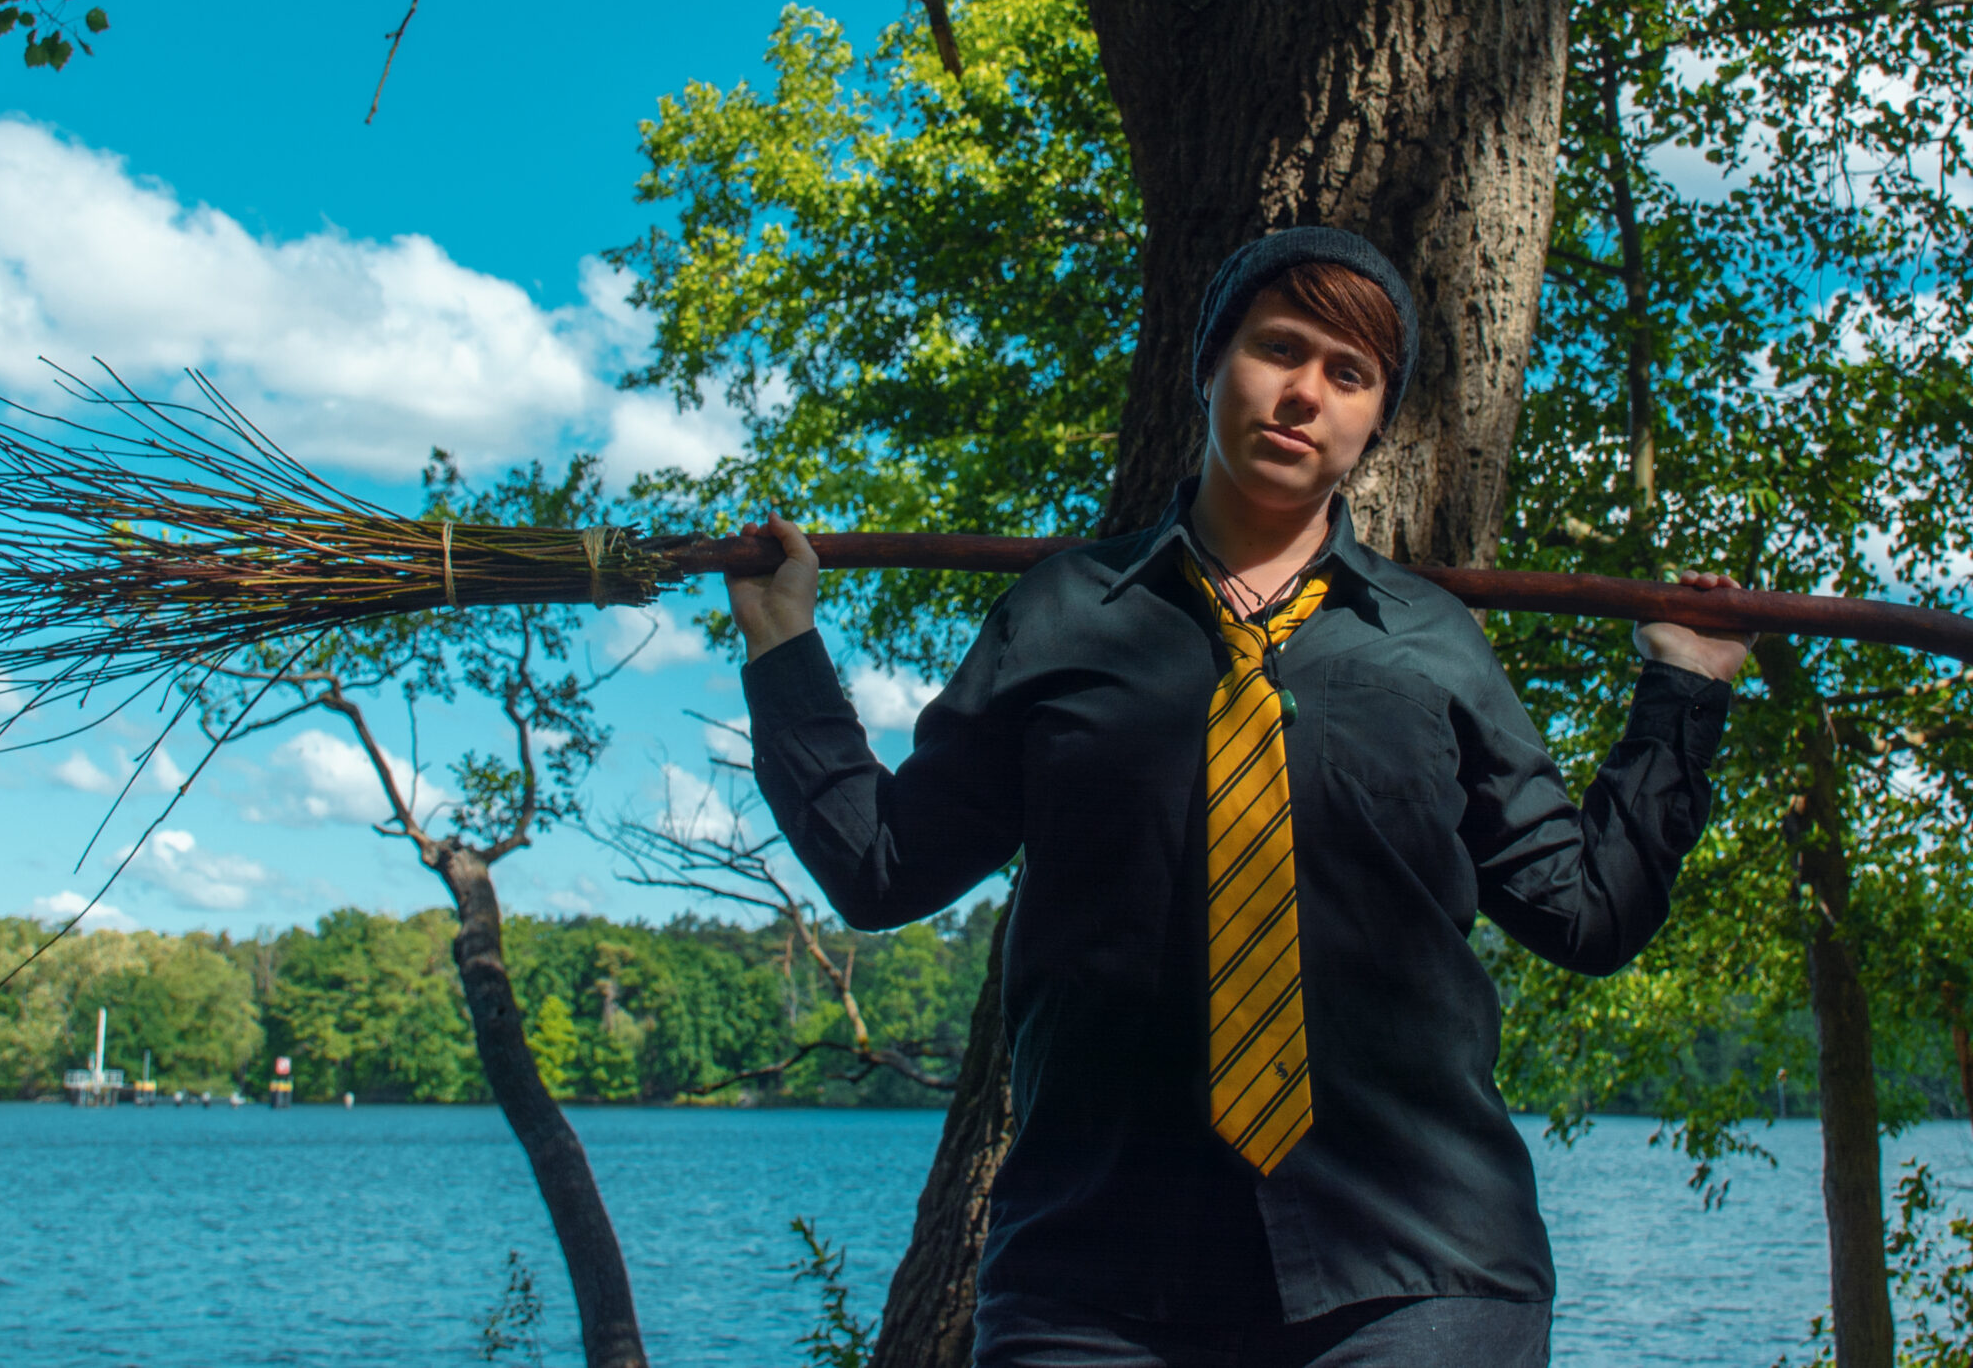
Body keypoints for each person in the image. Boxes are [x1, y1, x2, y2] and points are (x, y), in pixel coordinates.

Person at [727, 226, 1756, 1368]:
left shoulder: (1434, 642)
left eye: (1350, 374)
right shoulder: (1062, 612)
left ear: (1374, 422)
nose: (1306, 392)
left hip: (1421, 1278)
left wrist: (1682, 691)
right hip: (1091, 1281)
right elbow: (881, 869)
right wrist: (784, 650)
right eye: (1279, 348)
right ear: (1211, 363)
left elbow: (1587, 914)